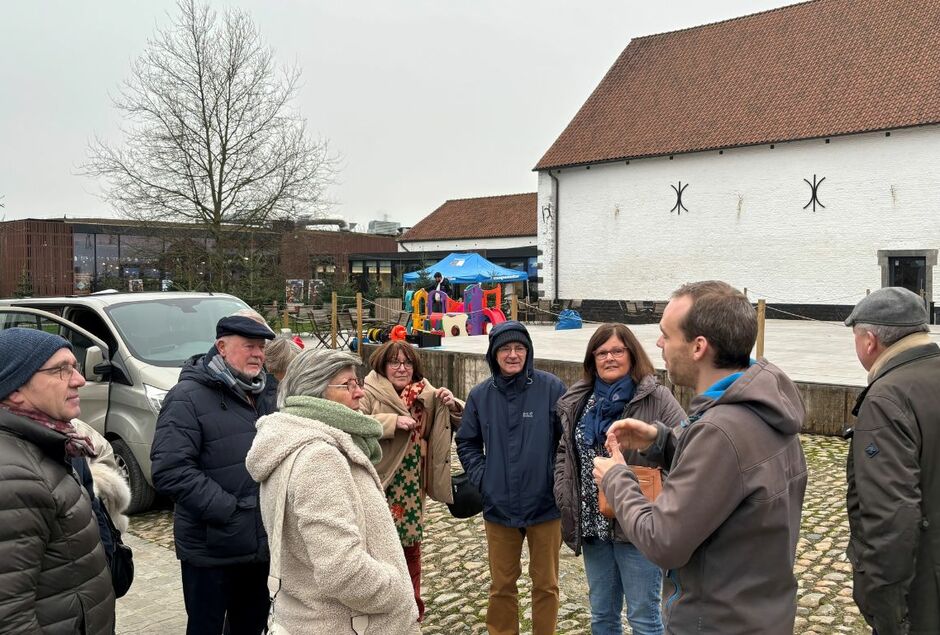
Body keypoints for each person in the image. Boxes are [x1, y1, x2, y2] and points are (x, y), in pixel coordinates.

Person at [594, 281, 807, 635]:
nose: (659, 344)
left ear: (698, 347)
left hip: (716, 623)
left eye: (666, 335)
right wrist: (662, 441)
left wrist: (617, 479)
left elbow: (663, 540)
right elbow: (731, 477)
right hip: (762, 613)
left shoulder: (720, 431)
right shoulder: (765, 407)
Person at [246, 349, 420, 633]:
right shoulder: (319, 457)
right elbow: (342, 570)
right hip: (345, 624)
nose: (359, 393)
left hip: (311, 616)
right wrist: (398, 591)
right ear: (315, 392)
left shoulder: (292, 440)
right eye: (348, 384)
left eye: (358, 383)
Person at [554, 323, 685, 635]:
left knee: (644, 617)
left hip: (638, 525)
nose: (609, 358)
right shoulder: (580, 401)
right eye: (601, 352)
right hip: (592, 526)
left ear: (632, 354)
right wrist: (563, 490)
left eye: (617, 350)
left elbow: (686, 448)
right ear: (592, 359)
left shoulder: (656, 398)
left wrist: (662, 491)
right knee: (602, 615)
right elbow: (564, 450)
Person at [150, 315, 277, 635]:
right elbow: (170, 470)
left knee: (253, 627)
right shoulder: (186, 397)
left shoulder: (265, 392)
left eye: (261, 348)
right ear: (221, 347)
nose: (258, 354)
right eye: (249, 346)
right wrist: (230, 511)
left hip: (259, 548)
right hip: (211, 550)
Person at [0, 328, 115, 634]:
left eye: (74, 367)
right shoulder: (13, 477)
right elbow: (9, 619)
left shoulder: (51, 444)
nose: (79, 380)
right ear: (14, 388)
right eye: (60, 370)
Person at [456, 320, 567, 635]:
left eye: (520, 348)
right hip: (499, 508)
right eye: (505, 348)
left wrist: (555, 480)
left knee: (546, 584)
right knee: (502, 584)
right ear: (493, 354)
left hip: (545, 506)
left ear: (528, 352)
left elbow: (567, 441)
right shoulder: (480, 396)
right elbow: (467, 441)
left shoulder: (552, 388)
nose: (513, 354)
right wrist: (483, 478)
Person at [843, 287, 939, 634]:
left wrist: (887, 613)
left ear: (869, 341)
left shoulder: (887, 398)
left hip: (924, 594)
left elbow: (891, 517)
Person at [359, 340, 464, 622]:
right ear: (383, 365)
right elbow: (354, 422)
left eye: (407, 363)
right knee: (378, 545)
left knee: (411, 544)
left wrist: (451, 402)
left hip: (412, 482)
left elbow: (460, 416)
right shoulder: (368, 390)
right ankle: (381, 605)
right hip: (381, 479)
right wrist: (392, 422)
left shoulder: (425, 392)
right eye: (395, 362)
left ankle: (412, 604)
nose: (401, 368)